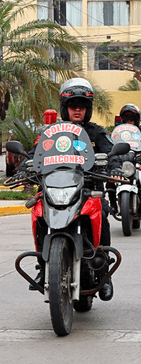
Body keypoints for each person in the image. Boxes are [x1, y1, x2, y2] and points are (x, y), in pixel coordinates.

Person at [22, 78, 122, 301]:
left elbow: (113, 152)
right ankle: (43, 266)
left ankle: (103, 271)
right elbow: (33, 155)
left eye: (82, 106)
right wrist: (22, 169)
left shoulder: (96, 132)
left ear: (88, 109)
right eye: (73, 105)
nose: (77, 110)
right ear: (64, 107)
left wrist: (115, 168)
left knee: (103, 212)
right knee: (38, 213)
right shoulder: (49, 133)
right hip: (53, 187)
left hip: (87, 189)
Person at [117, 103, 141, 218]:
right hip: (121, 162)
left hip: (138, 161)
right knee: (110, 177)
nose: (129, 120)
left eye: (132, 118)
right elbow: (110, 143)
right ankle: (112, 203)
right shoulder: (117, 132)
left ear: (137, 119)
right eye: (127, 117)